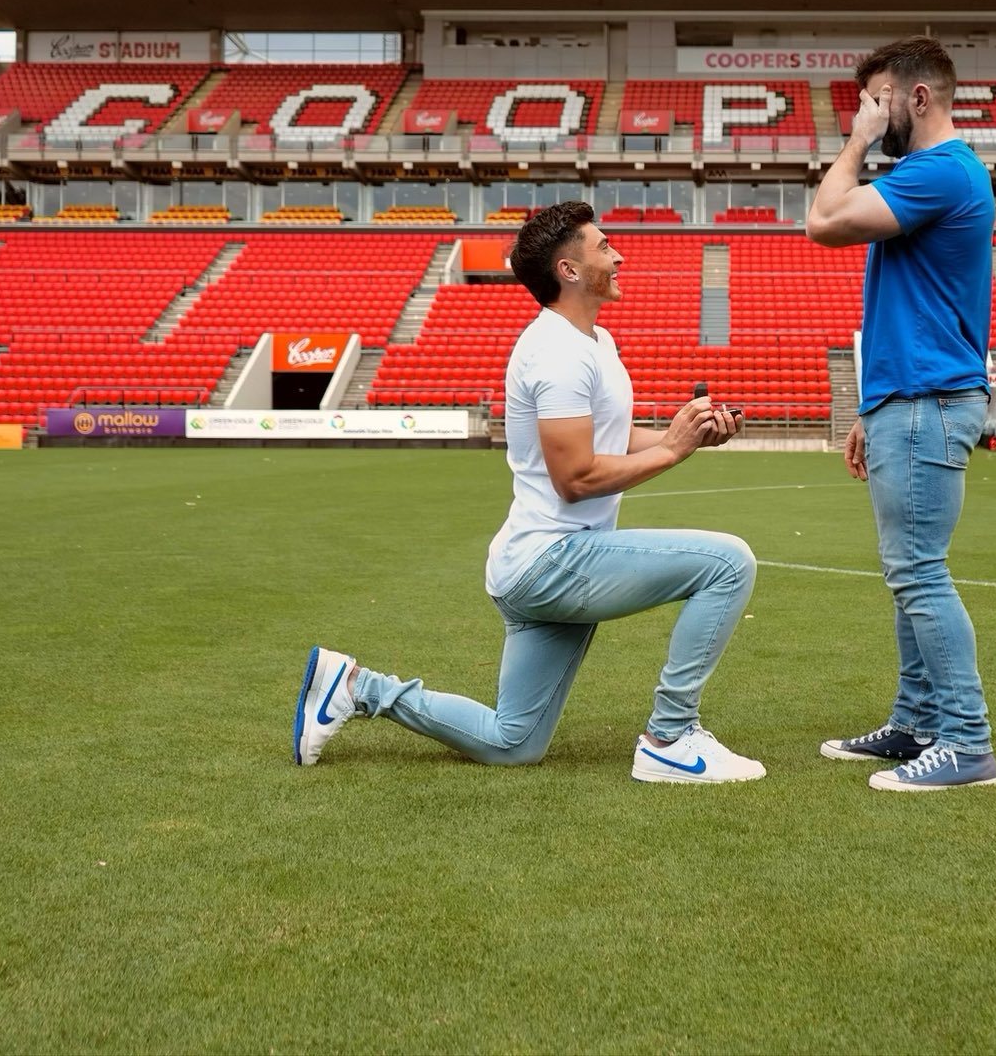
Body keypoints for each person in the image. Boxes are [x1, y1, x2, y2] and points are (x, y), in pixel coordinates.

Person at [293, 200, 765, 784]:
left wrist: (683, 435)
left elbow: (611, 439)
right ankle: (670, 737)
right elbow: (577, 479)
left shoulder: (594, 343)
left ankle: (358, 688)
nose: (618, 255)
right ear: (568, 271)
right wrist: (671, 451)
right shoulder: (557, 352)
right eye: (603, 247)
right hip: (553, 560)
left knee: (512, 742)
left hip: (538, 564)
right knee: (728, 563)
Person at [806, 36, 996, 792]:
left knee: (918, 571)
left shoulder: (939, 172)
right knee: (908, 572)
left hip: (926, 400)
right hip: (907, 397)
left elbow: (822, 222)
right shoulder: (935, 174)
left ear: (918, 98)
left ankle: (966, 740)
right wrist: (870, 407)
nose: (867, 113)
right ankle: (919, 721)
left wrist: (854, 142)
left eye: (877, 98)